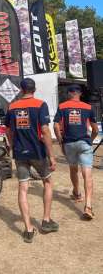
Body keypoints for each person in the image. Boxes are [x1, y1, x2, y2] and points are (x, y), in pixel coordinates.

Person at [5, 78, 59, 243]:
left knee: (23, 188)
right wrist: (51, 156)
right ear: (34, 89)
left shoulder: (12, 107)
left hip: (20, 153)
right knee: (48, 182)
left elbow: (8, 131)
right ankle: (46, 220)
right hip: (38, 152)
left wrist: (13, 145)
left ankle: (28, 229)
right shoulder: (40, 105)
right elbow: (45, 131)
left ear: (21, 90)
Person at [54, 84, 98, 220]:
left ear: (69, 93)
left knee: (73, 169)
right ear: (79, 94)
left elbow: (55, 125)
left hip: (69, 143)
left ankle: (77, 193)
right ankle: (88, 206)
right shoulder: (88, 107)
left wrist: (60, 140)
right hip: (84, 143)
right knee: (87, 173)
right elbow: (95, 129)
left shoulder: (62, 106)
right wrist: (90, 140)